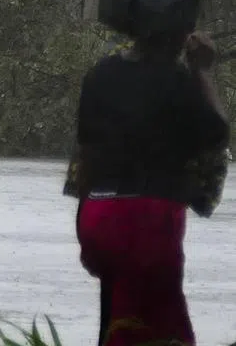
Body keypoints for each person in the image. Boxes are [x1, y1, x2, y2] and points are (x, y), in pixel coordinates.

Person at [64, 30, 229, 346]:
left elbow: (84, 162)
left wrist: (86, 230)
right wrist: (202, 71)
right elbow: (217, 134)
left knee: (116, 314)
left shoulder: (101, 74)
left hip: (98, 219)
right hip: (149, 222)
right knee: (157, 329)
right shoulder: (179, 81)